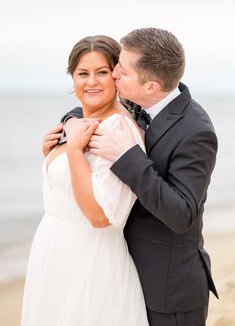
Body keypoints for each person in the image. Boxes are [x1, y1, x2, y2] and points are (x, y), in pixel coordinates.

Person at [44, 27, 219, 326]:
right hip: (119, 270)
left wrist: (129, 158)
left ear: (150, 86)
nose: (112, 76)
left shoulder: (196, 131)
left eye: (120, 72)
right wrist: (69, 124)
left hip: (168, 290)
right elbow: (93, 102)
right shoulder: (139, 100)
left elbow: (182, 214)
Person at [21, 35, 149, 326]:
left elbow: (100, 216)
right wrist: (56, 153)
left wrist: (75, 151)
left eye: (102, 72)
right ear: (72, 78)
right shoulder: (77, 123)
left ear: (116, 76)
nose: (91, 82)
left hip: (90, 261)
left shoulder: (117, 128)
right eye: (83, 73)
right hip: (56, 255)